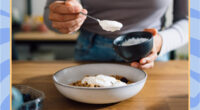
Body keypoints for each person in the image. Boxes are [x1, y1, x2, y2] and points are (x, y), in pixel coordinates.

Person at [44, 0, 188, 69]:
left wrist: (161, 42)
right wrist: (64, 17)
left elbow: (189, 21)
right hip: (91, 52)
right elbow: (50, 13)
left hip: (152, 55)